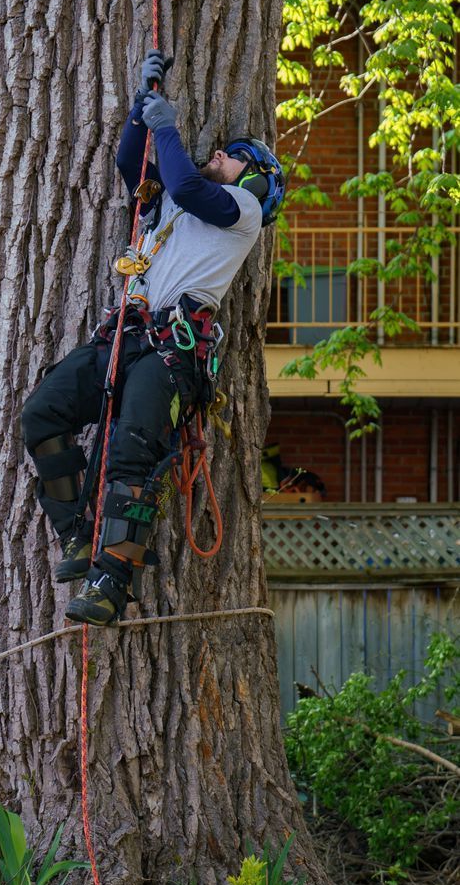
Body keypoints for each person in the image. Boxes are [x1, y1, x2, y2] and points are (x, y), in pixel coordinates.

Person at [21, 49, 286, 626]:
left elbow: (190, 185)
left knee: (131, 455)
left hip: (174, 347)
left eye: (237, 157)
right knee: (42, 413)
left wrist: (168, 125)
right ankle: (79, 535)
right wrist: (143, 113)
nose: (225, 155)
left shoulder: (239, 209)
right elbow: (131, 166)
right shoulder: (170, 205)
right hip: (129, 333)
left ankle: (111, 583)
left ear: (257, 181)